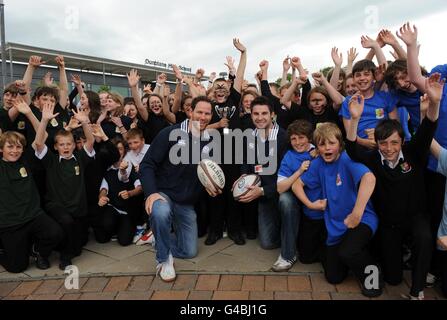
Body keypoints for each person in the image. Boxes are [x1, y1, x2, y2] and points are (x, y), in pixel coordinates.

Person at [346, 72, 443, 300]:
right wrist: (354, 119)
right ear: (377, 144)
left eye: (394, 143)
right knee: (392, 279)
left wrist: (434, 103)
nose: (389, 148)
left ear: (402, 141)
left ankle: (417, 289)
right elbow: (351, 149)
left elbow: (428, 128)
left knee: (424, 236)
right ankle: (398, 261)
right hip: (389, 224)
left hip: (415, 216)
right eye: (383, 143)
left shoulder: (414, 152)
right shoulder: (372, 158)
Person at [292, 122, 382, 298]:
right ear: (316, 147)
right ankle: (352, 258)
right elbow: (297, 184)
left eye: (331, 143)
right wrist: (311, 204)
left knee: (348, 251)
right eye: (322, 144)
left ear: (340, 145)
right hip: (336, 225)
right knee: (333, 277)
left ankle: (374, 273)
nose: (327, 148)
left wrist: (356, 213)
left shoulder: (346, 159)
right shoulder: (318, 163)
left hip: (362, 219)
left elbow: (369, 179)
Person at [139, 96, 219, 282]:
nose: (203, 116)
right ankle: (164, 259)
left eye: (207, 113)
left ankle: (158, 237)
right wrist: (151, 193)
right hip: (163, 194)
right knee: (160, 212)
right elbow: (147, 164)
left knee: (189, 251)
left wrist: (211, 185)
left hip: (185, 202)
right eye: (199, 112)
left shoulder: (211, 141)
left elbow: (207, 171)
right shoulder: (170, 133)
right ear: (190, 111)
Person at [0, 100, 64, 273]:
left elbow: (41, 139)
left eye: (18, 147)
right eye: (10, 147)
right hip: (10, 222)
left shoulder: (26, 160)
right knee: (17, 267)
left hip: (33, 215)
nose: (15, 150)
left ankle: (39, 253)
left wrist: (38, 118)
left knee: (55, 232)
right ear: (1, 149)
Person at [32, 103, 95, 270]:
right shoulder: (51, 160)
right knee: (66, 222)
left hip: (78, 208)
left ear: (74, 145)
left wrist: (85, 122)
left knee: (78, 247)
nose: (66, 147)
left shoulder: (80, 158)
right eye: (61, 144)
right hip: (56, 205)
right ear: (55, 146)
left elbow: (91, 140)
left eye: (69, 144)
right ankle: (60, 257)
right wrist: (44, 120)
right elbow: (38, 143)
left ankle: (68, 249)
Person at [236, 96, 289, 254]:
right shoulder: (250, 135)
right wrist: (244, 175)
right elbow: (246, 159)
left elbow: (286, 176)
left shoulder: (284, 137)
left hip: (281, 191)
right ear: (250, 115)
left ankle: (290, 232)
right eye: (256, 114)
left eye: (264, 113)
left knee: (287, 203)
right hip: (262, 194)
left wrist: (264, 190)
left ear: (272, 114)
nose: (260, 118)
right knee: (267, 243)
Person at [273, 120, 319, 271]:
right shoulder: (289, 156)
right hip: (295, 198)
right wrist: (299, 171)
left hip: (316, 199)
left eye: (301, 137)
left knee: (308, 256)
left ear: (309, 138)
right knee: (285, 200)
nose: (297, 142)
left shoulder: (319, 150)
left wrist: (316, 154)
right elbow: (280, 188)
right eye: (293, 138)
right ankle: (287, 255)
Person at [340, 59, 398, 150]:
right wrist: (364, 142)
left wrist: (380, 135)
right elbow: (349, 133)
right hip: (359, 149)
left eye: (366, 74)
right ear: (354, 79)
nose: (362, 78)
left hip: (386, 146)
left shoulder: (386, 97)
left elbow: (396, 126)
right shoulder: (348, 102)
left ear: (374, 77)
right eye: (358, 75)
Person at [96, 136, 143, 246]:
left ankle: (129, 227)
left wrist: (130, 193)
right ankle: (115, 227)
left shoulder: (130, 166)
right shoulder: (107, 169)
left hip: (127, 211)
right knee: (102, 237)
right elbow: (103, 188)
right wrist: (101, 197)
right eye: (114, 149)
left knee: (125, 241)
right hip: (113, 208)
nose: (117, 152)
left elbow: (140, 188)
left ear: (124, 151)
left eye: (120, 149)